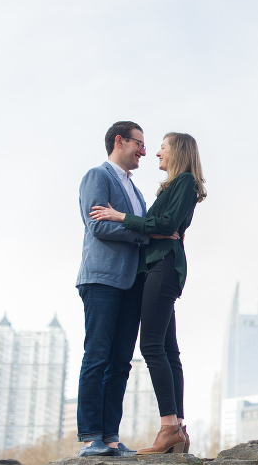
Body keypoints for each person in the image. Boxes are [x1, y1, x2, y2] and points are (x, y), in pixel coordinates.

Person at [90, 132, 207, 455]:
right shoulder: (174, 186)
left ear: (179, 151)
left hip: (163, 265)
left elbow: (167, 222)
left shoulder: (184, 181)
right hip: (158, 264)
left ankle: (168, 426)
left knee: (152, 345)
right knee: (168, 350)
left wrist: (120, 216)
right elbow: (159, 224)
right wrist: (154, 226)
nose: (156, 153)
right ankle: (178, 428)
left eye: (163, 148)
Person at [75, 121, 178, 457]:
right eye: (140, 144)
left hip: (132, 284)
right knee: (97, 356)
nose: (144, 152)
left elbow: (139, 224)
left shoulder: (136, 192)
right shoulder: (97, 176)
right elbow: (98, 224)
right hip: (102, 280)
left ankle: (111, 437)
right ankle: (92, 436)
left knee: (121, 362)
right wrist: (144, 234)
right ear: (119, 141)